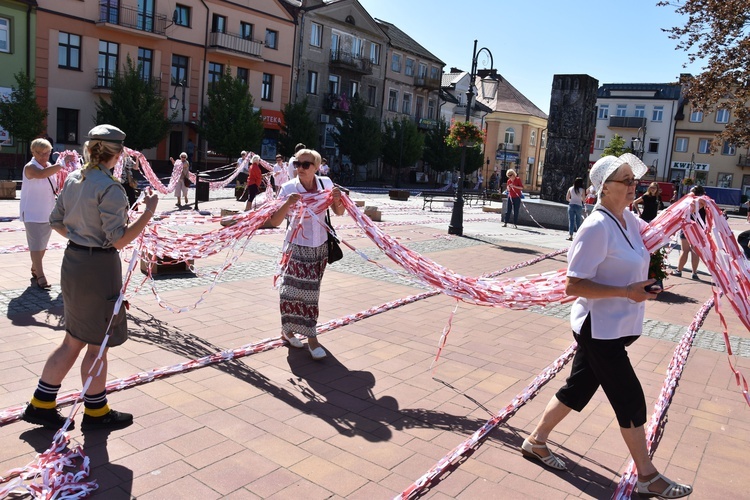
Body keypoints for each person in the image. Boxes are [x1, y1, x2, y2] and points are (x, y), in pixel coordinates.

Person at [521, 153, 692, 499]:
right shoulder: (596, 227)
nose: (634, 186)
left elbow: (647, 248)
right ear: (604, 188)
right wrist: (627, 291)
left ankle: (535, 441)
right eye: (626, 180)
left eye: (634, 180)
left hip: (616, 326)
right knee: (630, 399)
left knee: (578, 389)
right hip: (598, 329)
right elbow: (574, 285)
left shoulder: (628, 220)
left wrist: (648, 280)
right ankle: (647, 475)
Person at [21, 124, 159, 431]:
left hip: (73, 262)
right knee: (98, 344)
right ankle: (96, 413)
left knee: (73, 339)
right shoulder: (110, 188)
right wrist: (148, 213)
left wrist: (82, 238)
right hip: (99, 269)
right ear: (117, 154)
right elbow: (119, 240)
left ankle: (41, 404)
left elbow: (55, 220)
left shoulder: (73, 178)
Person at [268, 148, 345, 360]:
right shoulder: (287, 188)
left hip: (319, 246)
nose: (299, 168)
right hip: (296, 245)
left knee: (312, 293)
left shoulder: (326, 184)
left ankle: (309, 336)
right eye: (297, 164)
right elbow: (274, 221)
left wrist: (337, 200)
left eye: (305, 164)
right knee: (290, 291)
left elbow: (339, 212)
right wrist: (288, 202)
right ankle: (291, 331)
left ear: (316, 167)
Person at [20, 138, 63, 290]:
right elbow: (41, 174)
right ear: (33, 152)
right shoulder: (30, 167)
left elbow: (55, 183)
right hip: (32, 212)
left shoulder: (51, 166)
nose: (44, 156)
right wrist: (62, 164)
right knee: (36, 245)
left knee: (42, 246)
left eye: (47, 153)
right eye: (40, 153)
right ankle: (40, 275)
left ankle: (34, 268)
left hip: (47, 212)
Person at [672, 185, 706, 280]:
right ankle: (694, 273)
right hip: (698, 228)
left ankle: (679, 270)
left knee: (685, 250)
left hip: (688, 227)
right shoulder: (705, 201)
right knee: (695, 251)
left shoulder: (690, 201)